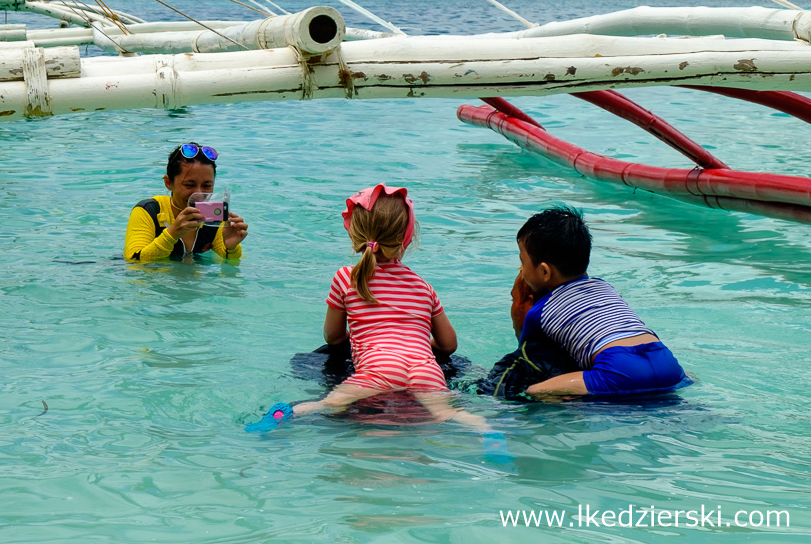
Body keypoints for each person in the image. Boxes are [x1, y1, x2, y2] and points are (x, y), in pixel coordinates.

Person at [247, 185, 497, 447]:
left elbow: (333, 338)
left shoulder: (347, 277)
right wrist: (419, 343)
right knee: (450, 413)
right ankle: (487, 432)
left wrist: (357, 337)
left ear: (355, 232)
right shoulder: (422, 285)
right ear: (407, 237)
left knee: (330, 404)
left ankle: (279, 416)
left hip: (379, 366)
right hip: (425, 368)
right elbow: (449, 345)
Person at [517, 206, 687, 397]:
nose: (521, 270)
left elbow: (529, 359)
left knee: (535, 390)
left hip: (618, 367)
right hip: (666, 362)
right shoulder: (605, 287)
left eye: (522, 262)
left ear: (545, 272)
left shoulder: (540, 312)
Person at [123, 143, 247, 261]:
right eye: (189, 185)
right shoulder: (148, 211)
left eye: (207, 186)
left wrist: (231, 248)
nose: (198, 194)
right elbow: (133, 263)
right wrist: (172, 234)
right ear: (168, 182)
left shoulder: (213, 217)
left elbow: (230, 263)